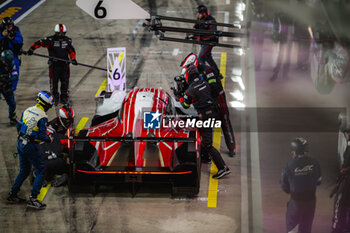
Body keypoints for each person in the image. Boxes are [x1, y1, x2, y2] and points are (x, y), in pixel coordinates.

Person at [178, 64, 230, 179]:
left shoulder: (190, 90)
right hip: (213, 113)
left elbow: (185, 105)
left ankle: (222, 167)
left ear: (188, 76)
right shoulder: (205, 83)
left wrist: (181, 97)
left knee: (208, 144)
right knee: (203, 137)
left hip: (206, 117)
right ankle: (206, 157)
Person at [180, 53, 236, 157]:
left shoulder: (207, 70)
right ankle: (206, 151)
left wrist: (199, 89)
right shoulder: (195, 72)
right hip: (208, 99)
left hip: (218, 97)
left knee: (224, 119)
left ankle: (231, 147)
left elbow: (214, 87)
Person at [7, 91, 54, 210]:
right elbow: (43, 136)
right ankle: (33, 199)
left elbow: (18, 126)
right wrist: (49, 139)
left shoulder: (28, 110)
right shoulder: (42, 116)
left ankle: (13, 194)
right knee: (41, 169)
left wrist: (25, 136)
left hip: (20, 143)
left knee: (24, 170)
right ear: (46, 104)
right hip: (30, 146)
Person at [27, 24, 77, 105]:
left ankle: (64, 98)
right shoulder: (50, 40)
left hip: (65, 65)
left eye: (63, 33)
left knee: (65, 83)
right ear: (56, 32)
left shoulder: (68, 40)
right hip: (54, 66)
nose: (61, 35)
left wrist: (73, 59)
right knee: (54, 83)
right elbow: (39, 43)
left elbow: (71, 51)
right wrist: (32, 49)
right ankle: (55, 98)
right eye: (59, 33)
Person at [280, 138, 322, 233]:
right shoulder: (316, 163)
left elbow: (285, 187)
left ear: (294, 152)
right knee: (306, 228)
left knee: (292, 229)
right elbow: (318, 181)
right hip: (311, 203)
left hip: (296, 204)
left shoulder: (288, 166)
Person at [40, 104, 75, 187]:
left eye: (70, 120)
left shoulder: (69, 125)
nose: (69, 122)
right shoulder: (51, 126)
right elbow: (50, 141)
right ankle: (44, 175)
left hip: (62, 145)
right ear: (61, 119)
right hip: (49, 146)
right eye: (66, 120)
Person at [331, 127, 350, 233]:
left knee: (339, 202)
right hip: (346, 177)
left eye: (347, 134)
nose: (346, 136)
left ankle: (337, 228)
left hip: (347, 179)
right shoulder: (349, 145)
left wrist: (344, 170)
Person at [193, 5, 221, 77]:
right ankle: (217, 73)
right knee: (208, 57)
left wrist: (200, 37)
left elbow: (212, 34)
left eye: (199, 13)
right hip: (204, 41)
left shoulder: (211, 20)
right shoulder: (199, 19)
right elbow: (195, 28)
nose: (198, 15)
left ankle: (204, 74)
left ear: (204, 13)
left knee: (201, 57)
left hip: (209, 42)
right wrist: (194, 35)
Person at [0, 17, 23, 91]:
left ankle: (12, 90)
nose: (9, 26)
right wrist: (2, 36)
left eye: (10, 25)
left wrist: (12, 38)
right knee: (2, 73)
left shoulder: (15, 29)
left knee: (15, 73)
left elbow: (20, 40)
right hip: (2, 55)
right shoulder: (0, 30)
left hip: (13, 55)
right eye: (7, 25)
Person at [0, 49, 18, 125]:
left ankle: (12, 118)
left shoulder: (11, 63)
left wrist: (7, 80)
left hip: (6, 85)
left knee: (12, 104)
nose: (7, 64)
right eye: (5, 63)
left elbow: (15, 76)